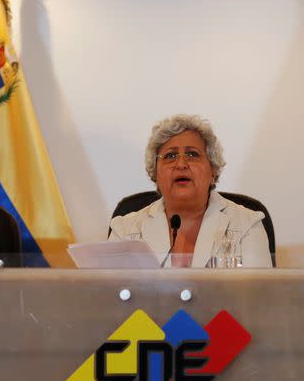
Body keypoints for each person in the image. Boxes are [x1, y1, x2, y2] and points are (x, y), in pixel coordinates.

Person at [109, 114, 273, 267]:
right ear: (155, 173)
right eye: (170, 156)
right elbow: (105, 294)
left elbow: (257, 295)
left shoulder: (247, 225)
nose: (181, 164)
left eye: (192, 154)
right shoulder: (124, 230)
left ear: (213, 171)